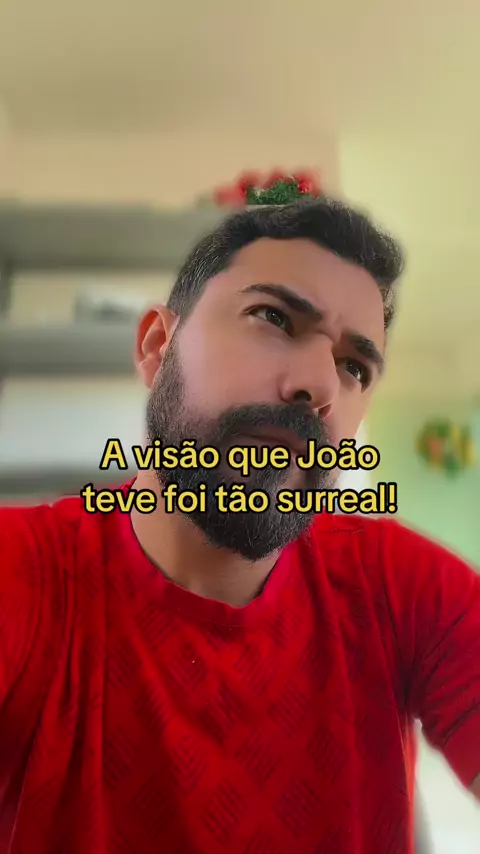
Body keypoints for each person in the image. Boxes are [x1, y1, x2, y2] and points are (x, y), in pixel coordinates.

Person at [0, 199, 479, 854]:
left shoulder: (405, 589)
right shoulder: (24, 572)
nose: (320, 386)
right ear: (157, 347)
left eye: (354, 367)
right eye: (274, 317)